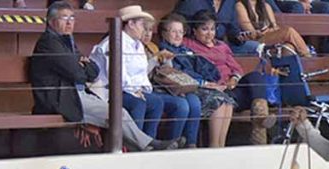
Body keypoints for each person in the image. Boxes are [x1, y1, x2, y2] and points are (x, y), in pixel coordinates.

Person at [30, 2, 181, 151]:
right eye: (64, 18)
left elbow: (93, 72)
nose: (69, 23)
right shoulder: (50, 43)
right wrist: (81, 66)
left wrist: (81, 66)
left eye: (72, 18)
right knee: (117, 113)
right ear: (51, 21)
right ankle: (146, 146)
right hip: (60, 98)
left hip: (76, 94)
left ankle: (146, 146)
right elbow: (78, 74)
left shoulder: (66, 41)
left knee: (125, 110)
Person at [91, 6, 192, 144]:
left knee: (155, 102)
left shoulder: (136, 44)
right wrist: (133, 90)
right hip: (111, 91)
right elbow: (116, 73)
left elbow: (141, 73)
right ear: (130, 24)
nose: (145, 30)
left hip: (132, 89)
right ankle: (134, 145)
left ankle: (150, 143)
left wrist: (142, 89)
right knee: (137, 103)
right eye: (142, 25)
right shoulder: (113, 42)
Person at [184, 10, 277, 144]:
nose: (209, 33)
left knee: (256, 76)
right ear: (194, 31)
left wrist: (234, 78)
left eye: (212, 29)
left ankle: (260, 117)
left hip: (231, 89)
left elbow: (236, 68)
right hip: (212, 90)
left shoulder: (222, 46)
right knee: (223, 99)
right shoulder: (189, 44)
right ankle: (258, 124)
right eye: (204, 29)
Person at [158, 13, 237, 148]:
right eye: (173, 32)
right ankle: (210, 145)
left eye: (181, 32)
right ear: (164, 33)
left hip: (198, 85)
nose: (178, 36)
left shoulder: (184, 49)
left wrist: (212, 80)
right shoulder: (164, 51)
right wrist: (204, 83)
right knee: (217, 100)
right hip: (180, 88)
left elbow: (203, 66)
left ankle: (220, 145)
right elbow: (178, 74)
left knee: (227, 101)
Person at [140, 18, 201, 148]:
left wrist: (167, 61)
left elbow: (165, 72)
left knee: (194, 101)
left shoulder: (152, 46)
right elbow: (141, 75)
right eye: (144, 30)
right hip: (149, 89)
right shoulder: (133, 47)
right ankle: (172, 142)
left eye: (150, 30)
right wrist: (156, 59)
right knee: (181, 105)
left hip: (163, 87)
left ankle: (191, 143)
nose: (147, 34)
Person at [174, 0, 263, 54]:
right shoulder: (191, 3)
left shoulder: (230, 2)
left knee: (257, 48)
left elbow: (233, 31)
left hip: (222, 45)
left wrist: (242, 37)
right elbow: (175, 25)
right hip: (197, 46)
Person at [236, 0, 312, 56]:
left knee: (289, 47)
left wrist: (268, 30)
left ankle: (293, 75)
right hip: (255, 40)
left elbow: (274, 27)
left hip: (268, 35)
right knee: (289, 31)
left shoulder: (265, 5)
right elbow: (250, 31)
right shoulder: (240, 5)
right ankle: (308, 57)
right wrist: (263, 32)